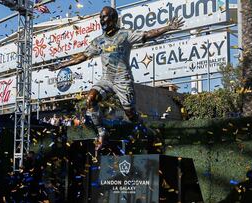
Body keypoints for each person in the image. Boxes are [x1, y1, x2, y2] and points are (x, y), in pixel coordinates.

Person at [47, 6, 184, 151]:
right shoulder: (99, 41)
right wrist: (62, 64)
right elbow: (83, 56)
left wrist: (168, 27)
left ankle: (147, 131)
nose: (102, 20)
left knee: (131, 115)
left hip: (122, 80)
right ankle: (101, 132)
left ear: (114, 18)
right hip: (106, 80)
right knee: (90, 99)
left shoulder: (125, 35)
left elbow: (148, 34)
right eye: (100, 18)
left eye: (104, 17)